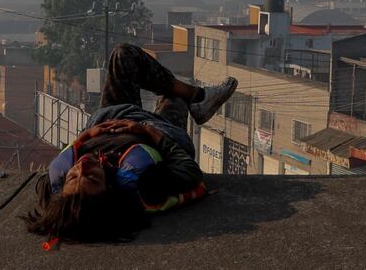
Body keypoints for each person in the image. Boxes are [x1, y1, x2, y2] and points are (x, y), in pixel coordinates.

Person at [22, 43, 238, 244]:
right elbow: (189, 171)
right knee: (175, 97)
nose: (82, 166)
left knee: (123, 55)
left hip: (109, 117)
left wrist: (86, 136)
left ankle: (199, 98)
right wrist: (147, 132)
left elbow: (55, 188)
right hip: (158, 130)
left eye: (73, 175)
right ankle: (198, 98)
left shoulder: (56, 187)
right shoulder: (143, 186)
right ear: (108, 190)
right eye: (92, 177)